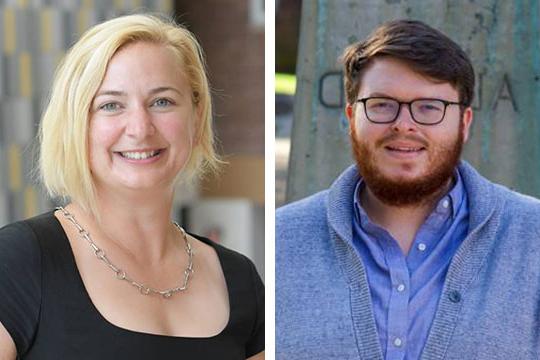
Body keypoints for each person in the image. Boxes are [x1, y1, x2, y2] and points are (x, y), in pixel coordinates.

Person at [0, 14, 264, 360]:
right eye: (111, 105)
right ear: (76, 124)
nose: (140, 128)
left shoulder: (238, 278)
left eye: (162, 101)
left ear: (196, 118)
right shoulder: (18, 261)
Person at [276, 19, 540, 360]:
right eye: (382, 104)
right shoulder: (281, 241)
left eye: (429, 107)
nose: (404, 124)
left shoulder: (533, 237)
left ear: (464, 123)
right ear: (351, 118)